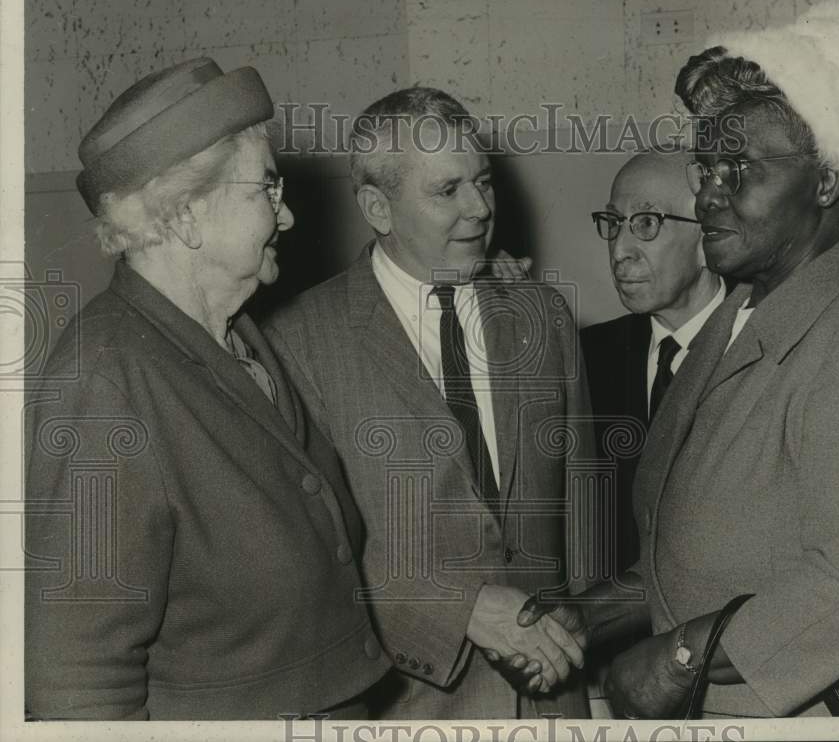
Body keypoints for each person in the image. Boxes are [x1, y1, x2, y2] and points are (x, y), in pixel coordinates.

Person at [517, 0, 839, 717]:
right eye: (706, 168)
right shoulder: (741, 310)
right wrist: (601, 609)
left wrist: (679, 658)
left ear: (826, 183)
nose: (709, 196)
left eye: (741, 169)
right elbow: (729, 549)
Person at [24, 58, 389, 720]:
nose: (289, 219)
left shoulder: (243, 340)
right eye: (266, 191)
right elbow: (77, 681)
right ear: (187, 216)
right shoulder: (106, 380)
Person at [263, 87, 591, 719]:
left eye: (484, 181)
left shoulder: (543, 314)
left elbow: (580, 509)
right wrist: (460, 609)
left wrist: (581, 623)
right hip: (412, 706)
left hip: (556, 700)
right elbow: (308, 567)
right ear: (377, 208)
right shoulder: (298, 341)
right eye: (447, 192)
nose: (479, 209)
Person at [583, 152, 724, 578]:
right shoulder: (585, 356)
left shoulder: (764, 347)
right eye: (613, 223)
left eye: (646, 223)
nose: (620, 251)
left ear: (707, 238)